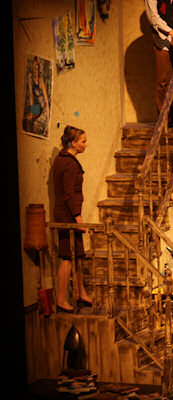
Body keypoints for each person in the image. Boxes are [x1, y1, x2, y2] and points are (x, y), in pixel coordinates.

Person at [52, 126, 93, 313]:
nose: (86, 144)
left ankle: (80, 292)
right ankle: (61, 299)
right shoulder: (68, 163)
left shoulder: (62, 160)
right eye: (83, 141)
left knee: (77, 255)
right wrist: (78, 218)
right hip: (67, 216)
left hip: (66, 213)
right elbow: (69, 194)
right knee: (68, 257)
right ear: (73, 143)